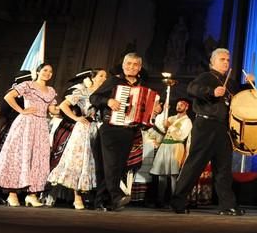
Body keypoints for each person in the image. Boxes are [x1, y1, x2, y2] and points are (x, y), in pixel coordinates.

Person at [170, 48, 244, 216]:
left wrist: (248, 85)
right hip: (205, 125)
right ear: (213, 62)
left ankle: (227, 205)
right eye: (222, 59)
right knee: (195, 164)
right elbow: (192, 89)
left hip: (223, 128)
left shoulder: (230, 82)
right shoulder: (206, 77)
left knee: (224, 168)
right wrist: (212, 92)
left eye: (228, 59)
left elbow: (239, 98)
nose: (226, 62)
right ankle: (178, 201)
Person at [90, 53, 162, 211]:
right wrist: (108, 101)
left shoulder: (143, 86)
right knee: (110, 164)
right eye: (128, 64)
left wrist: (156, 109)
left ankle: (102, 201)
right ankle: (116, 196)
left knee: (119, 166)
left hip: (129, 130)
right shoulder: (114, 81)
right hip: (110, 127)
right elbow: (94, 98)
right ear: (123, 65)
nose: (131, 67)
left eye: (135, 64)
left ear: (140, 68)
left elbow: (149, 109)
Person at [0, 63, 58, 207]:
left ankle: (32, 195)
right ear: (38, 72)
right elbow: (9, 97)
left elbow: (52, 109)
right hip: (26, 123)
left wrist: (62, 110)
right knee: (20, 155)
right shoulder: (28, 84)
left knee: (38, 158)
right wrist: (22, 110)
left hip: (41, 126)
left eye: (50, 71)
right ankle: (12, 193)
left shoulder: (51, 90)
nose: (48, 73)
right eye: (45, 70)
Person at [47, 68, 107, 209]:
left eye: (105, 76)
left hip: (95, 129)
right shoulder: (82, 90)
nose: (104, 78)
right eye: (101, 76)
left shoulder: (102, 94)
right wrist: (77, 118)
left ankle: (88, 196)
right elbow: (63, 105)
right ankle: (77, 197)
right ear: (92, 77)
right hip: (82, 129)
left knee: (90, 163)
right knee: (79, 161)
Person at [150, 98, 192, 208]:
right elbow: (160, 127)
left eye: (181, 105)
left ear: (187, 107)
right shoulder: (172, 118)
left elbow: (182, 135)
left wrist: (170, 126)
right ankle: (160, 200)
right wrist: (163, 112)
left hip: (176, 146)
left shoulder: (187, 121)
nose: (179, 106)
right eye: (178, 105)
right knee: (162, 174)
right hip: (165, 146)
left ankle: (175, 200)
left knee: (174, 175)